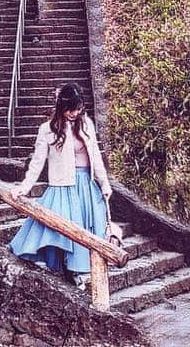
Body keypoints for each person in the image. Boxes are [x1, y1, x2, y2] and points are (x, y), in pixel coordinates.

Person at [8, 83, 113, 287]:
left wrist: (105, 184)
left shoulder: (87, 124)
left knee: (86, 230)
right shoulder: (47, 129)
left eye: (78, 108)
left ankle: (79, 272)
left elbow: (96, 159)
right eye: (70, 108)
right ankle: (68, 271)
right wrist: (24, 187)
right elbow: (37, 163)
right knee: (62, 229)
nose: (74, 113)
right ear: (61, 106)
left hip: (86, 185)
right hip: (62, 186)